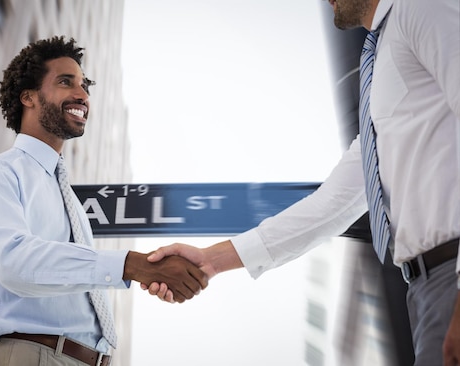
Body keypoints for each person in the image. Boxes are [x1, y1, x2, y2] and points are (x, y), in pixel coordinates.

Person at [146, 0, 460, 365]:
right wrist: (211, 261)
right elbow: (332, 205)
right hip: (424, 292)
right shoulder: (381, 68)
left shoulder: (422, 8)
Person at [0, 36, 208, 366]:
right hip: (31, 355)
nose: (83, 95)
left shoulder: (72, 202)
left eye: (85, 86)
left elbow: (77, 280)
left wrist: (152, 272)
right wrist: (131, 265)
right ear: (29, 97)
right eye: (66, 82)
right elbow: (14, 262)